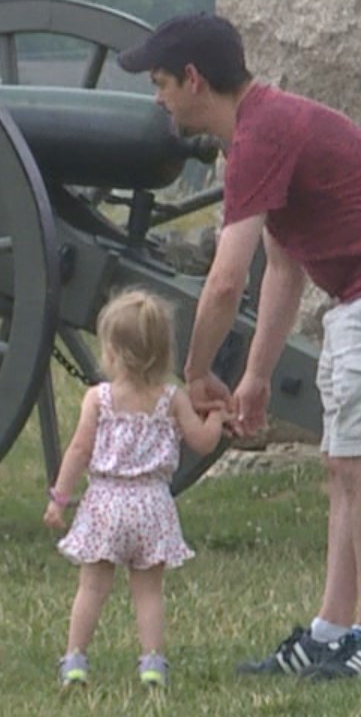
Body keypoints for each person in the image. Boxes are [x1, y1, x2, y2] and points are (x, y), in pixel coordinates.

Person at [116, 11, 361, 681]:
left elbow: (223, 282)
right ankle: (332, 632)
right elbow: (281, 263)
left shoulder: (262, 133)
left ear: (193, 79)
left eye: (160, 82)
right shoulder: (260, 129)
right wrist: (255, 375)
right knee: (341, 464)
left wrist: (194, 371)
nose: (156, 97)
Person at [44, 289, 228, 689]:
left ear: (112, 353)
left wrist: (60, 498)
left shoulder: (99, 399)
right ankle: (152, 664)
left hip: (105, 503)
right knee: (148, 593)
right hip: (152, 505)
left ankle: (75, 660)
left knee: (92, 586)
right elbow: (202, 442)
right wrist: (215, 417)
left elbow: (78, 450)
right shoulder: (171, 400)